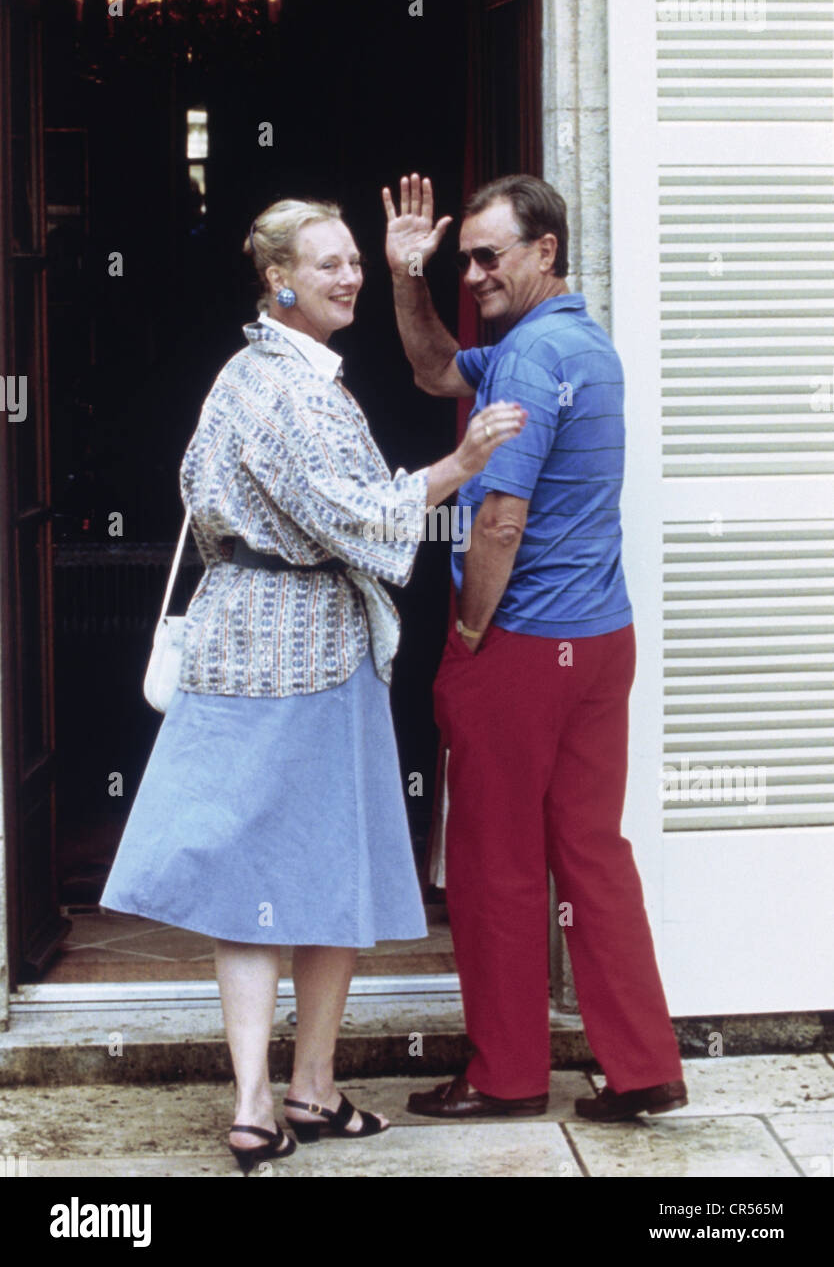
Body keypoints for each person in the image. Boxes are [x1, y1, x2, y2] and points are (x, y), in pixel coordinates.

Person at [100, 196, 526, 1171]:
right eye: (327, 264)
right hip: (309, 651)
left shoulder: (244, 375)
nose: (349, 278)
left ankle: (291, 1091)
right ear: (278, 280)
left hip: (237, 642)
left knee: (261, 880)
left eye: (353, 263)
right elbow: (353, 511)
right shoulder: (290, 389)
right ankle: (284, 1090)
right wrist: (459, 464)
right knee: (321, 869)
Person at [382, 172, 687, 1122]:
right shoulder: (579, 345)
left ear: (544, 250)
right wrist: (407, 277)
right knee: (593, 851)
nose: (472, 274)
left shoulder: (525, 360)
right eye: (464, 257)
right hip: (602, 642)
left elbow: (500, 523)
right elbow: (437, 370)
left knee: (493, 861)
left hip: (523, 645)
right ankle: (644, 1067)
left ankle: (507, 1075)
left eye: (488, 255)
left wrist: (470, 632)